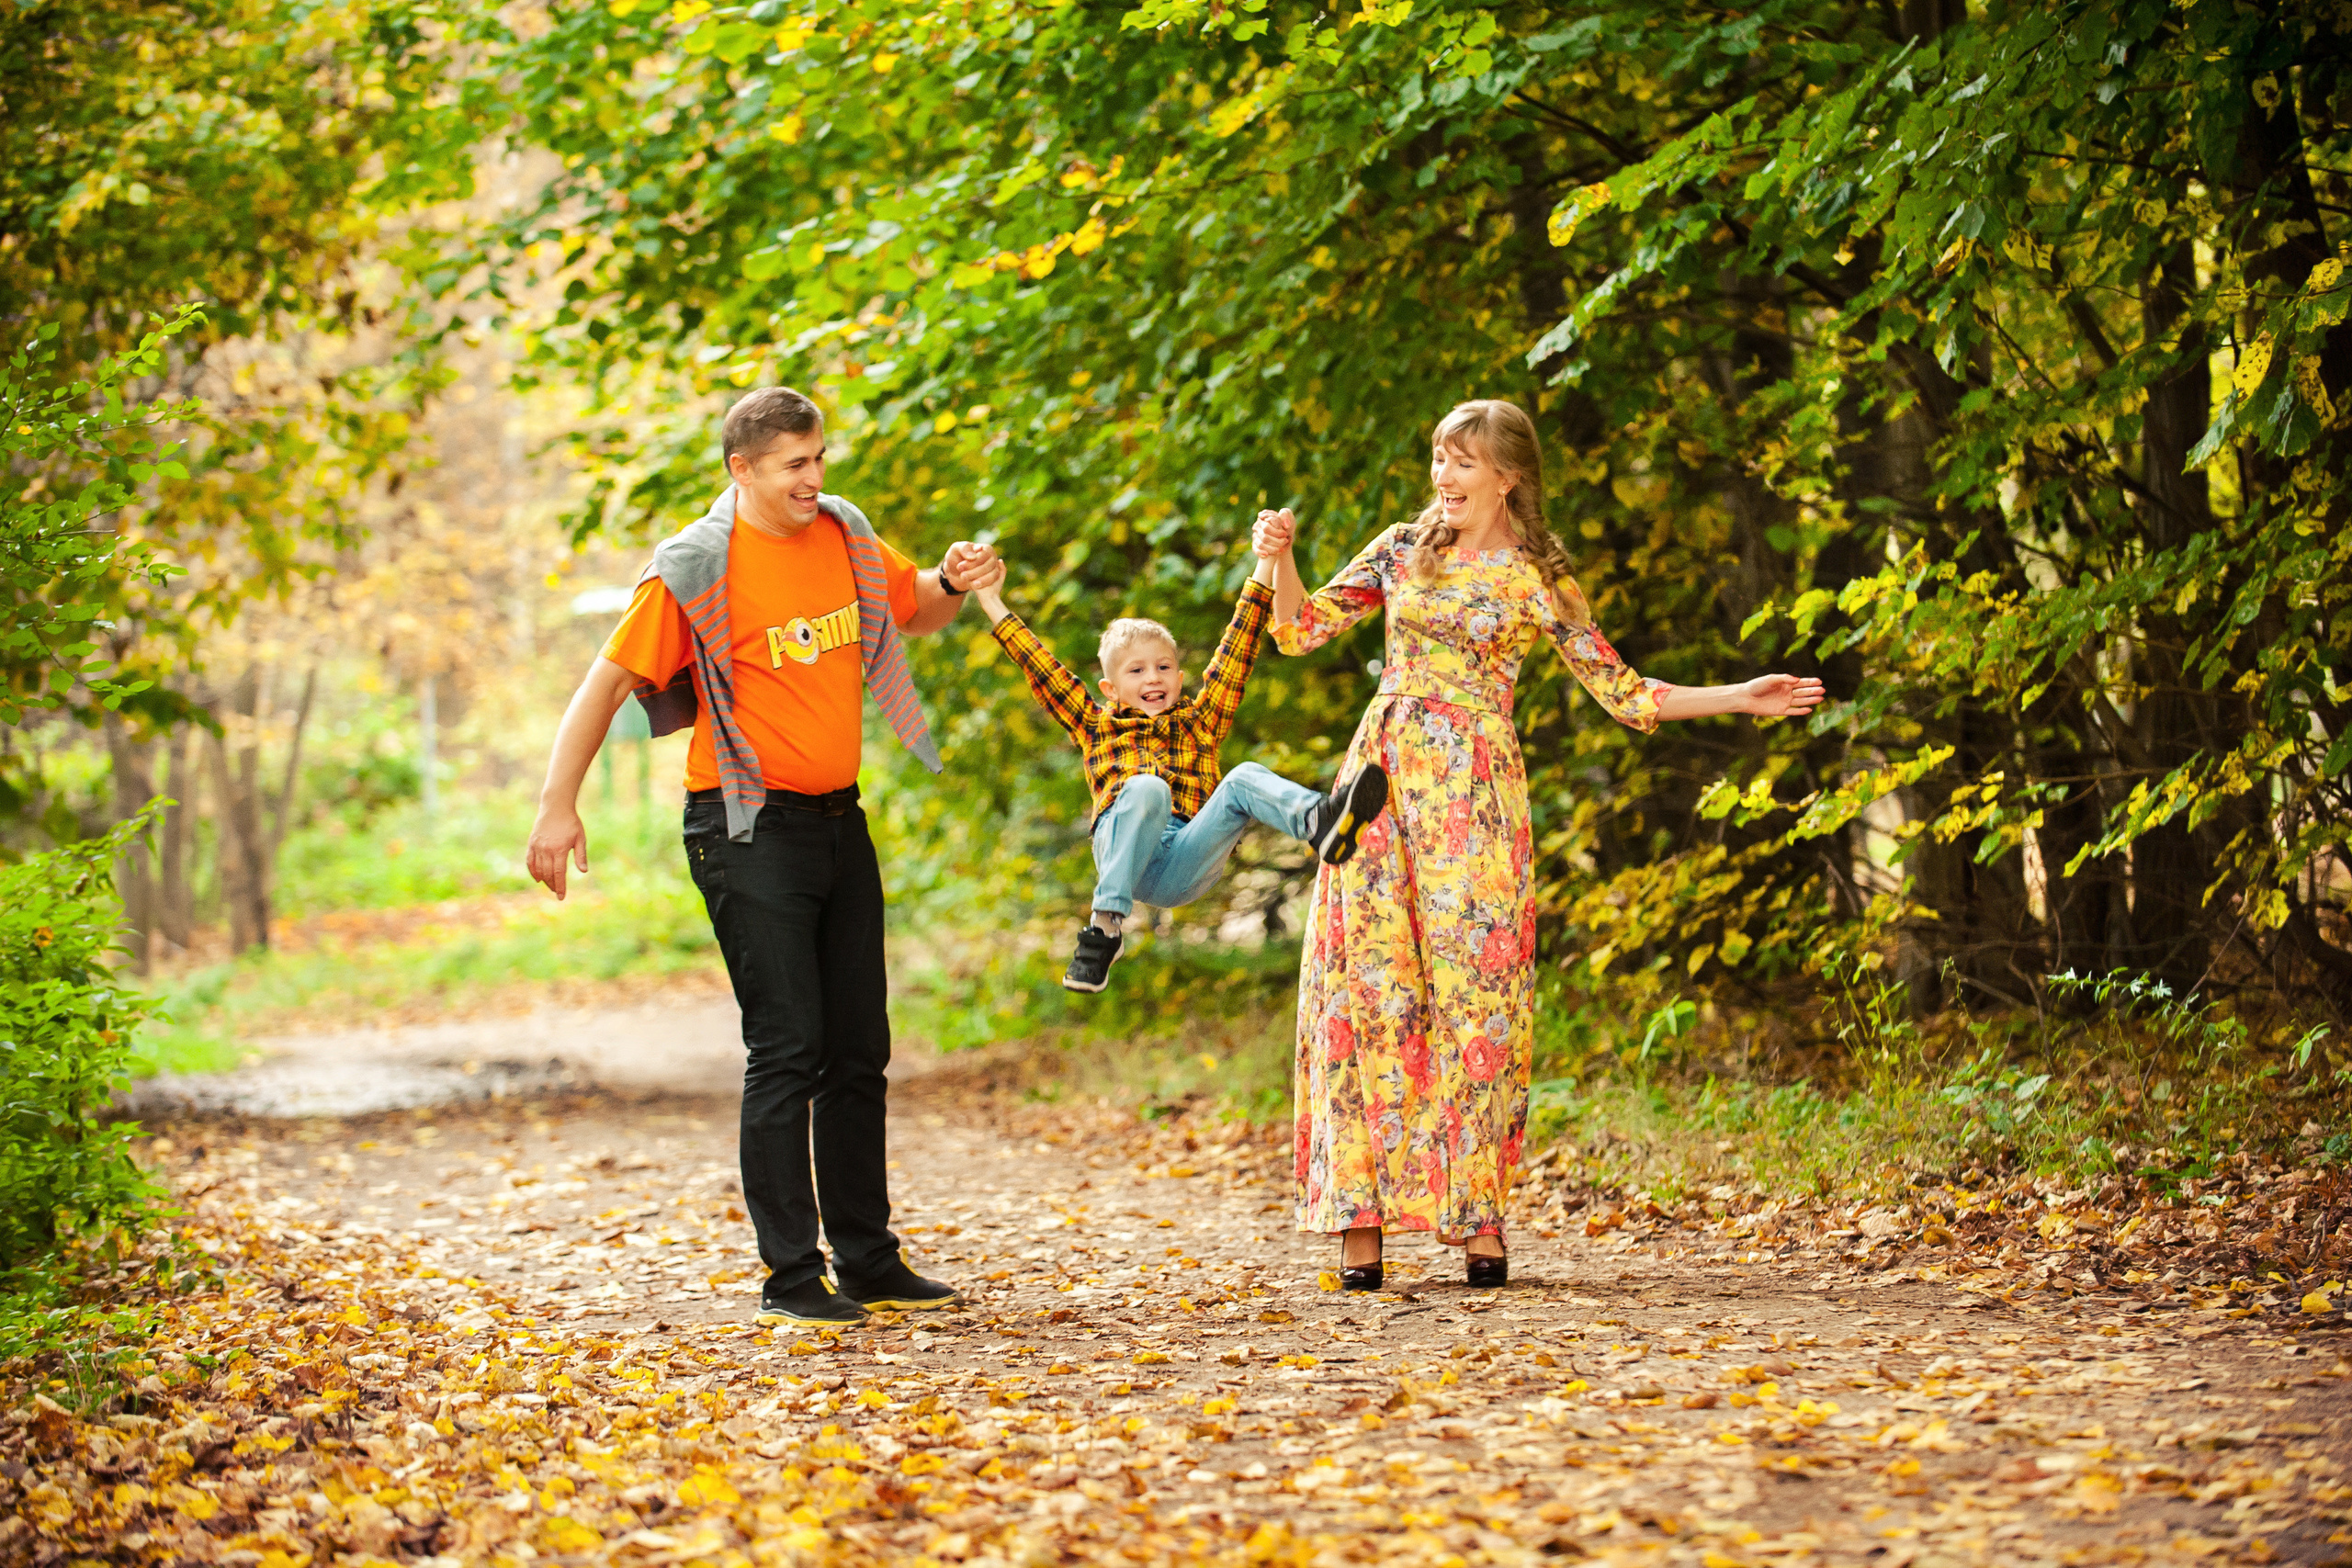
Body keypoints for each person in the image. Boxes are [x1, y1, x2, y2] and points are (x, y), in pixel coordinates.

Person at [1254, 398, 1826, 1292]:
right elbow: (1298, 631)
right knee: (1367, 989)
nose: (1442, 477)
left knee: (1479, 999)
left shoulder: (1538, 578)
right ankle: (1358, 1222)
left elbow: (1625, 693)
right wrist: (1278, 559)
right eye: (1438, 458)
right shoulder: (1400, 549)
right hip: (1380, 786)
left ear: (1507, 476)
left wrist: (1739, 696)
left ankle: (1477, 1216)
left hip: (1477, 800)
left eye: (1462, 461)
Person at [524, 385, 1006, 1326]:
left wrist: (950, 581)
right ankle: (791, 1276)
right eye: (794, 464)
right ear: (741, 469)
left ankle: (868, 1260)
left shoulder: (843, 533)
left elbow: (912, 611)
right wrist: (555, 806)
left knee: (858, 1047)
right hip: (744, 828)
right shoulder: (695, 567)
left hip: (837, 820)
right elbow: (605, 684)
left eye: (819, 458)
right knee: (788, 1046)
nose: (813, 478)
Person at [972, 547, 1389, 992]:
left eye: (1164, 667)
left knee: (1243, 778)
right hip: (1124, 854)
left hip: (1185, 863)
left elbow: (1237, 649)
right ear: (1110, 689)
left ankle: (1319, 822)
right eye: (1137, 670)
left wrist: (1267, 562)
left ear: (1178, 676)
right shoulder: (1095, 725)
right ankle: (1105, 927)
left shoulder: (1200, 722)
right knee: (1148, 789)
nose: (1153, 677)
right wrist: (990, 600)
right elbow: (1042, 669)